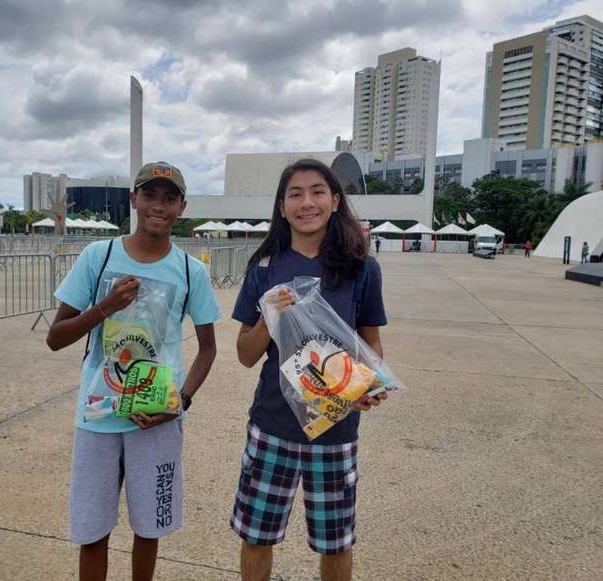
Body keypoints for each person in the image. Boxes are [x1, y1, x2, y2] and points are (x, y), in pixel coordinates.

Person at [47, 162, 220, 581]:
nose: (158, 206)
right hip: (98, 417)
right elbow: (56, 337)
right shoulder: (99, 256)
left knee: (149, 529)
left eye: (169, 198)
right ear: (133, 199)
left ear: (182, 206)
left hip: (155, 418)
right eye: (149, 195)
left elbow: (208, 350)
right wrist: (106, 307)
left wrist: (180, 403)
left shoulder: (189, 271)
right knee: (92, 532)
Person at [230, 159, 388, 581]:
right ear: (282, 207)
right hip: (272, 425)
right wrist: (268, 318)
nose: (307, 202)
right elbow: (245, 355)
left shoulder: (362, 269)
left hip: (335, 428)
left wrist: (372, 381)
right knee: (257, 537)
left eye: (317, 192)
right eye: (295, 194)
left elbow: (371, 342)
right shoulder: (263, 268)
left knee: (335, 543)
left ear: (335, 201)